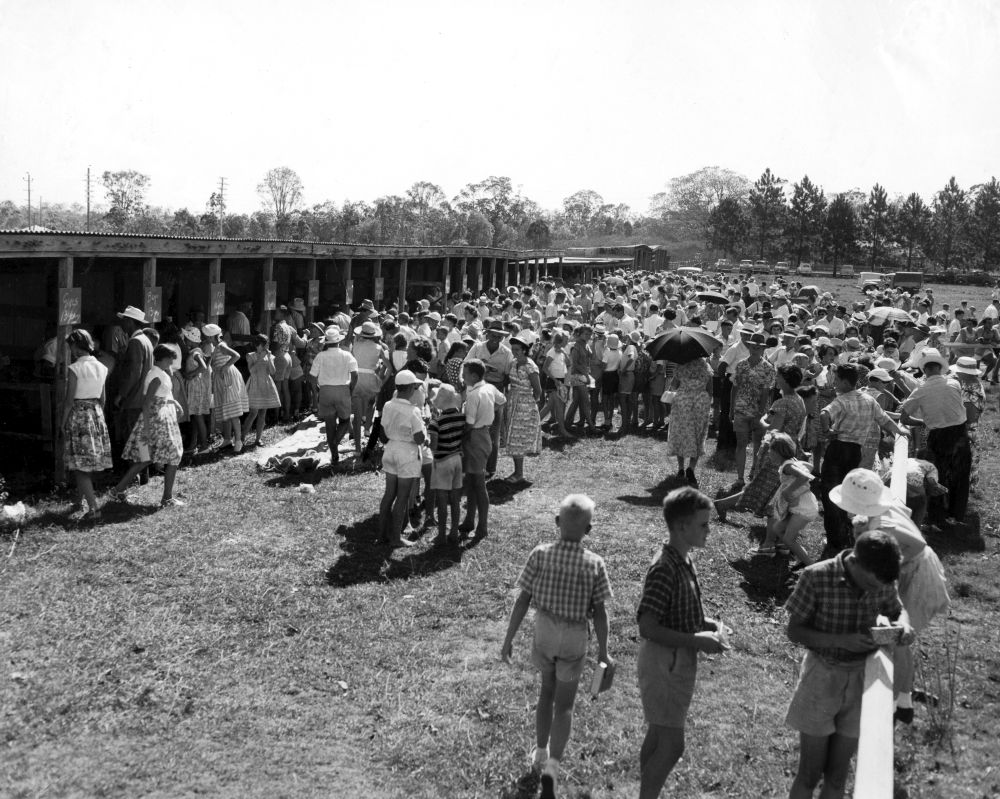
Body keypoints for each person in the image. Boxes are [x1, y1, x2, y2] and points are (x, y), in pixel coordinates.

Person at [784, 523, 914, 799]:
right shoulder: (816, 577)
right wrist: (840, 640)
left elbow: (896, 609)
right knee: (809, 773)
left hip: (861, 680)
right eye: (868, 584)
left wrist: (903, 626)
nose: (873, 590)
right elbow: (794, 631)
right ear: (854, 561)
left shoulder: (881, 577)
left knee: (837, 775)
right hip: (821, 676)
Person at [500, 494, 613, 799]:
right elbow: (600, 612)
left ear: (557, 522)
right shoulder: (594, 563)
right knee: (564, 705)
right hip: (575, 635)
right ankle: (552, 767)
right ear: (588, 530)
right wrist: (603, 650)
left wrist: (509, 639)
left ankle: (539, 751)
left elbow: (523, 600)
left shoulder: (539, 554)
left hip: (545, 630)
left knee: (545, 692)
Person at [637, 487, 729, 799]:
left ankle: (645, 788)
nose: (709, 530)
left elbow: (678, 612)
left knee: (658, 734)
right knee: (673, 745)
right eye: (703, 524)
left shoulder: (684, 560)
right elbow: (647, 626)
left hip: (676, 660)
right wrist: (695, 640)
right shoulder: (665, 568)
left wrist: (709, 625)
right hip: (665, 663)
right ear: (681, 527)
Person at [819, 363, 908, 555]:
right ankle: (846, 533)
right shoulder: (869, 400)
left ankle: (835, 540)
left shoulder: (841, 400)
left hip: (838, 449)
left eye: (836, 380)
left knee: (829, 493)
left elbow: (824, 414)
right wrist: (899, 430)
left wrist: (828, 431)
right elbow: (884, 419)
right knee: (847, 492)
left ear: (843, 381)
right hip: (855, 452)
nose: (834, 383)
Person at [109, 345, 186, 508]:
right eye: (170, 358)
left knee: (145, 458)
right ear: (162, 358)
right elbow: (147, 403)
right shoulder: (156, 376)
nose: (172, 361)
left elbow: (161, 395)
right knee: (173, 455)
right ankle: (167, 498)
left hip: (157, 419)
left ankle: (118, 490)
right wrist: (148, 429)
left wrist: (173, 402)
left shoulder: (160, 373)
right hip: (156, 421)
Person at [62, 329, 112, 521]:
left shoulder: (75, 368)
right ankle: (79, 500)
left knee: (80, 465)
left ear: (75, 346)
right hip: (96, 413)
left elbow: (68, 400)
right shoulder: (102, 367)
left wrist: (63, 422)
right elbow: (103, 398)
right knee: (86, 461)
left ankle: (93, 508)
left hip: (79, 414)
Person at [750, 432, 817, 565]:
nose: (768, 453)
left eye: (770, 450)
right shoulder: (792, 462)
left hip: (803, 508)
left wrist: (788, 491)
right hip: (802, 505)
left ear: (778, 452)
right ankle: (794, 550)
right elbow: (810, 467)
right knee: (777, 528)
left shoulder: (788, 465)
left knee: (788, 539)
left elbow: (804, 477)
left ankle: (811, 565)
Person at [377, 369, 426, 548]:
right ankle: (396, 538)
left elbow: (383, 432)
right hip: (407, 452)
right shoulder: (413, 411)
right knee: (403, 496)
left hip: (390, 449)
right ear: (411, 388)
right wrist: (425, 438)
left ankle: (382, 534)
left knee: (389, 494)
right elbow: (419, 438)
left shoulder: (388, 405)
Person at [459, 359, 506, 539]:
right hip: (484, 435)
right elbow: (502, 400)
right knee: (471, 482)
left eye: (465, 374)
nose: (463, 378)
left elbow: (469, 424)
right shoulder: (490, 388)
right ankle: (470, 520)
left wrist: (460, 437)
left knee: (478, 484)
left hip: (475, 438)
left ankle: (482, 526)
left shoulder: (473, 395)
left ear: (474, 376)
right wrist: (490, 414)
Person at [729, 332, 774, 486]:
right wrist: (731, 409)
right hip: (741, 408)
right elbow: (735, 388)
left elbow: (766, 392)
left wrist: (760, 413)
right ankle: (740, 478)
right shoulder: (741, 364)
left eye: (758, 347)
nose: (754, 349)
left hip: (758, 411)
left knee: (758, 444)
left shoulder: (768, 368)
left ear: (763, 349)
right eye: (752, 346)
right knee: (741, 443)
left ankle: (754, 473)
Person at [309, 327, 359, 466]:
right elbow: (355, 374)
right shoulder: (347, 355)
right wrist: (350, 388)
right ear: (338, 341)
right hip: (343, 389)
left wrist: (317, 390)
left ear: (326, 342)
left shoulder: (320, 356)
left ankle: (334, 453)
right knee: (345, 420)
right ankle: (336, 443)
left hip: (325, 391)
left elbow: (312, 376)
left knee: (329, 424)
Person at [664, 356, 713, 487]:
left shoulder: (681, 366)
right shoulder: (706, 368)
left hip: (683, 402)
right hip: (701, 402)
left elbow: (673, 385)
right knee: (698, 435)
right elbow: (710, 389)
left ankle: (680, 469)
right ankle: (691, 468)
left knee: (681, 433)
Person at [500, 335, 542, 484]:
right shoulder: (513, 363)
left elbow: (538, 390)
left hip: (525, 404)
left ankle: (519, 474)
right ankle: (518, 472)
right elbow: (507, 380)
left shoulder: (530, 366)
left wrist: (530, 404)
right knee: (513, 436)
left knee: (518, 437)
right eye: (513, 349)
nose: (515, 352)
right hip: (513, 401)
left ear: (525, 350)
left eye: (518, 349)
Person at [113, 306, 154, 460]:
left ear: (130, 322)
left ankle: (135, 473)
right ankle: (142, 472)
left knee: (132, 435)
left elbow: (134, 373)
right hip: (142, 395)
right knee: (140, 436)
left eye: (124, 320)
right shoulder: (146, 340)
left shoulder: (136, 342)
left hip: (135, 397)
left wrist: (121, 394)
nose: (122, 324)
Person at [427, 384, 465, 546]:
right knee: (455, 500)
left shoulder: (436, 422)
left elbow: (434, 446)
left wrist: (427, 442)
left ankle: (441, 535)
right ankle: (454, 532)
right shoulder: (461, 417)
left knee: (442, 501)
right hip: (457, 459)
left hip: (442, 461)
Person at [204, 323, 249, 453]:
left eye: (206, 336)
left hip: (228, 377)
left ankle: (239, 440)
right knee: (226, 410)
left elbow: (236, 355)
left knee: (233, 411)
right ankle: (227, 439)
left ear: (211, 336)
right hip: (221, 378)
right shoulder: (214, 347)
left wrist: (225, 366)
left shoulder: (221, 345)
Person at [243, 333, 281, 446]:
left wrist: (269, 358)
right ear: (257, 345)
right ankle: (242, 437)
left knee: (262, 413)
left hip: (266, 383)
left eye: (267, 345)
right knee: (253, 413)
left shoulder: (270, 356)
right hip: (255, 384)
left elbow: (273, 372)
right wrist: (260, 358)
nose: (266, 347)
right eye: (263, 345)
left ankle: (258, 439)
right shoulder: (250, 356)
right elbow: (251, 371)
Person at [182, 327, 212, 454]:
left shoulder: (195, 353)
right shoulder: (196, 351)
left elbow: (203, 366)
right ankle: (193, 444)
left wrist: (191, 374)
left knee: (198, 416)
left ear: (191, 339)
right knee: (195, 415)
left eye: (186, 338)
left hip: (195, 386)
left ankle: (204, 445)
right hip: (194, 385)